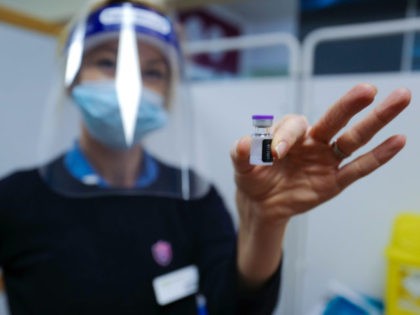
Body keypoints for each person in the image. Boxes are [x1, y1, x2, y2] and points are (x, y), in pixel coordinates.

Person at [0, 0, 411, 314]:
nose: (131, 85)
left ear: (169, 91)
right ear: (71, 79)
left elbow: (233, 307)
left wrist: (266, 222)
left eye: (154, 71)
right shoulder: (15, 199)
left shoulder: (193, 199)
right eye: (108, 63)